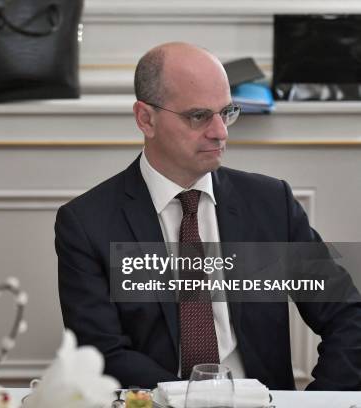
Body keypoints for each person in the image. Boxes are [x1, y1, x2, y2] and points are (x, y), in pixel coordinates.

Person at [55, 42, 361, 390]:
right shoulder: (86, 223)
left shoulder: (271, 204)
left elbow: (349, 316)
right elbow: (102, 353)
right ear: (145, 118)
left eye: (227, 112)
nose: (221, 132)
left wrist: (315, 403)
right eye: (198, 116)